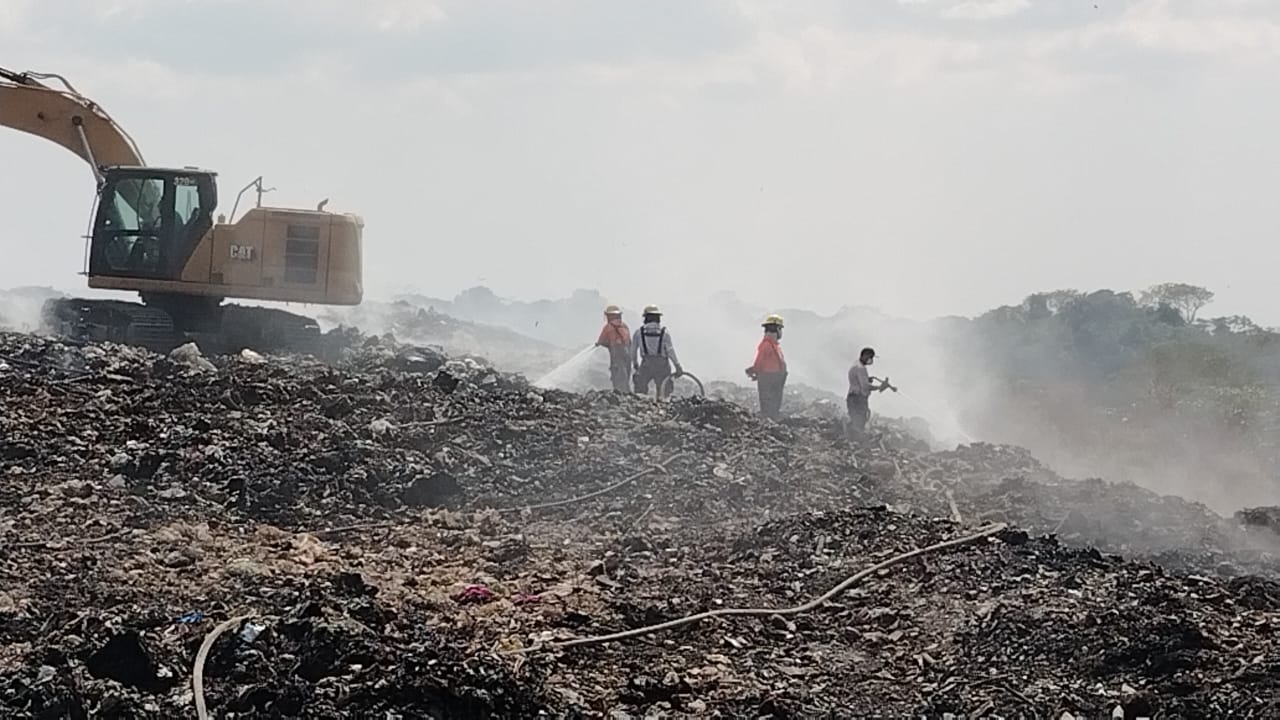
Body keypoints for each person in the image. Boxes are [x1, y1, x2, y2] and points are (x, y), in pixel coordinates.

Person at [632, 304, 683, 398]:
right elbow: (670, 351)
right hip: (662, 365)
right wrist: (677, 366)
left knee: (640, 390)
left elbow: (633, 350)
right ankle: (662, 404)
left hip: (646, 364)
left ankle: (642, 404)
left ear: (646, 318)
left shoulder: (639, 332)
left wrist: (635, 364)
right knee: (664, 392)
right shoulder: (665, 332)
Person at [745, 313, 787, 420]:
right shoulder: (767, 345)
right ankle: (769, 418)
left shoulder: (773, 345)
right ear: (777, 329)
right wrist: (755, 370)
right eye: (780, 329)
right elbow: (760, 361)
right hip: (768, 377)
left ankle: (772, 417)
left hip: (773, 377)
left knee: (772, 401)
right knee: (768, 402)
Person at [847, 346, 891, 438]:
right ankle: (855, 440)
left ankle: (853, 438)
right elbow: (865, 386)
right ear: (865, 356)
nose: (871, 360)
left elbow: (858, 380)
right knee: (859, 422)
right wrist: (879, 387)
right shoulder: (860, 368)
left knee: (857, 420)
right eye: (870, 357)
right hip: (858, 399)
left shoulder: (856, 365)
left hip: (853, 397)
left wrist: (867, 379)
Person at [595, 304, 632, 392]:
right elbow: (629, 342)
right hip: (627, 354)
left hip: (615, 354)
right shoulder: (625, 326)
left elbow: (601, 341)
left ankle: (619, 392)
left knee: (616, 374)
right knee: (625, 374)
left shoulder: (608, 327)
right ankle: (627, 391)